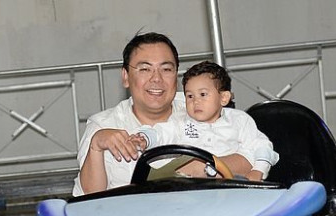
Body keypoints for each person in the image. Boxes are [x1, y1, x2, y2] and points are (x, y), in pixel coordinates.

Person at [72, 32, 272, 196]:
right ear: (125, 76)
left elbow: (250, 154)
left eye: (166, 69)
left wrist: (201, 169)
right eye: (145, 69)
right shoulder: (103, 126)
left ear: (176, 75)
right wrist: (96, 147)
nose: (156, 79)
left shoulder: (199, 104)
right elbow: (90, 198)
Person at [133, 61, 278, 180]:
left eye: (203, 94)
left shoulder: (239, 120)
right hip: (191, 187)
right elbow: (161, 133)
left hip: (231, 184)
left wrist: (258, 170)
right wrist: (144, 138)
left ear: (224, 98)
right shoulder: (180, 122)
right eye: (190, 96)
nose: (195, 101)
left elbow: (261, 145)